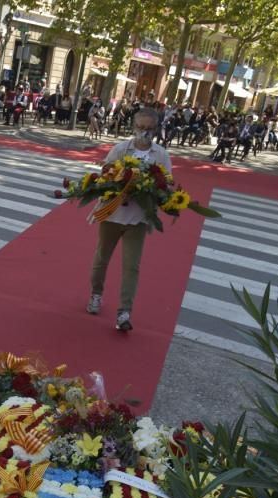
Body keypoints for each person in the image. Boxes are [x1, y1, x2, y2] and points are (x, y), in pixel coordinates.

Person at [86, 107, 172, 332]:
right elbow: (105, 174)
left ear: (156, 130)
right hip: (113, 213)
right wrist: (117, 183)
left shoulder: (161, 155)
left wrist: (154, 190)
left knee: (131, 266)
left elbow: (167, 184)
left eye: (149, 129)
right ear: (134, 127)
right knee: (102, 258)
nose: (143, 132)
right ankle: (96, 294)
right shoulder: (121, 149)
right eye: (140, 127)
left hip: (138, 219)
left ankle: (124, 312)